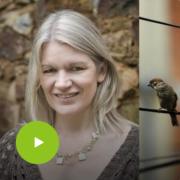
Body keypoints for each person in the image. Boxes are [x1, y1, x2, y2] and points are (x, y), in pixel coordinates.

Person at [0, 10, 139, 180]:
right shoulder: (13, 147)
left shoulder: (140, 150)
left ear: (101, 71)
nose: (62, 83)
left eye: (76, 68)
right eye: (50, 70)